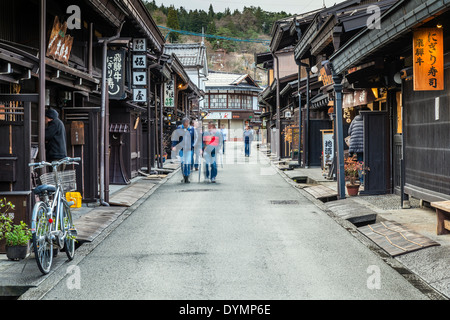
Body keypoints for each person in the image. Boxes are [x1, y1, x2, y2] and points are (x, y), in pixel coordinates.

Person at [171, 118, 195, 183]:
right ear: (183, 123)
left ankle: (187, 176)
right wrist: (174, 146)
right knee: (182, 163)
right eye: (185, 124)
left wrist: (193, 145)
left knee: (188, 163)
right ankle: (184, 175)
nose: (186, 125)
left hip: (189, 149)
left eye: (187, 124)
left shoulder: (192, 129)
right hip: (181, 148)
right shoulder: (179, 128)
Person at [348, 109, 365, 184]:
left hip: (356, 145)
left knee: (360, 162)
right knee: (368, 161)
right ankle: (367, 179)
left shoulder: (354, 120)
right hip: (366, 145)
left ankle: (362, 180)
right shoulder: (367, 119)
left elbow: (349, 132)